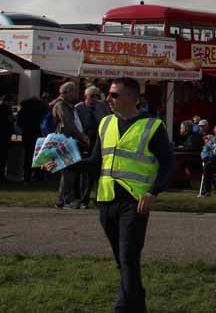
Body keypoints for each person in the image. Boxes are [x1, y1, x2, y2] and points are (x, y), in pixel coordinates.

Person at [65, 76, 174, 313]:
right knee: (123, 261)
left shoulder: (152, 126)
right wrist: (65, 164)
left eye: (115, 95)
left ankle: (123, 308)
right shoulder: (105, 123)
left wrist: (153, 193)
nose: (109, 99)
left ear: (134, 99)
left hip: (134, 202)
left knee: (127, 258)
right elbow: (95, 163)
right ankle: (137, 302)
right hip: (106, 201)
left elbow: (167, 164)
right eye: (108, 94)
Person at [52, 82, 90, 209]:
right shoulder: (61, 105)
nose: (76, 94)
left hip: (69, 141)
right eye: (74, 91)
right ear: (67, 92)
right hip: (66, 141)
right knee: (69, 172)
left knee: (69, 171)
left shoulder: (67, 105)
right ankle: (66, 200)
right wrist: (82, 136)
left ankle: (62, 200)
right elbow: (68, 124)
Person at [16, 94, 47, 183]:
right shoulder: (40, 110)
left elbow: (19, 123)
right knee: (38, 155)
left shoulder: (23, 110)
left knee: (28, 156)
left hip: (27, 135)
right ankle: (37, 175)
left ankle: (27, 176)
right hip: (38, 135)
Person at [0, 94, 12, 182]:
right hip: (4, 135)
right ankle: (1, 175)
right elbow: (10, 120)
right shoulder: (7, 109)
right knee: (3, 156)